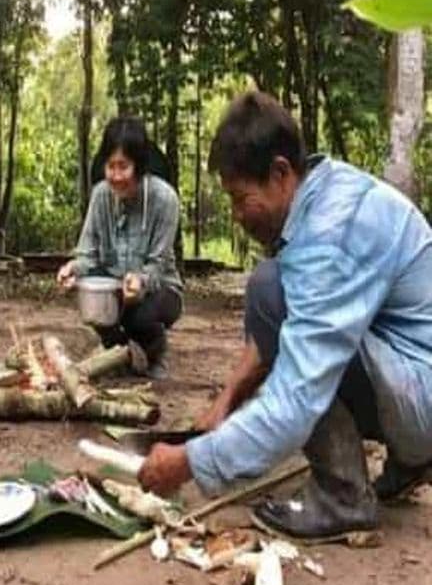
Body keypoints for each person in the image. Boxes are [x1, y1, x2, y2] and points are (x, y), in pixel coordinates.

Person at [138, 91, 432, 541]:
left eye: (240, 198)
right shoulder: (325, 193)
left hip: (422, 398)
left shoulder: (330, 237)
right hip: (416, 379)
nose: (236, 215)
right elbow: (292, 325)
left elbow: (296, 397)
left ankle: (343, 497)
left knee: (268, 288)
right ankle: (412, 461)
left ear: (280, 173)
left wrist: (190, 463)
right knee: (273, 287)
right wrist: (227, 400)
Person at [57, 117, 183, 379]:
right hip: (113, 290)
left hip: (160, 290)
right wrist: (73, 269)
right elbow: (88, 253)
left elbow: (158, 266)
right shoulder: (101, 195)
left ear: (138, 166)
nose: (115, 176)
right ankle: (120, 354)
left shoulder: (165, 199)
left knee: (140, 315)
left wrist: (140, 281)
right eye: (110, 166)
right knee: (93, 304)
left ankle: (155, 352)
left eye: (123, 167)